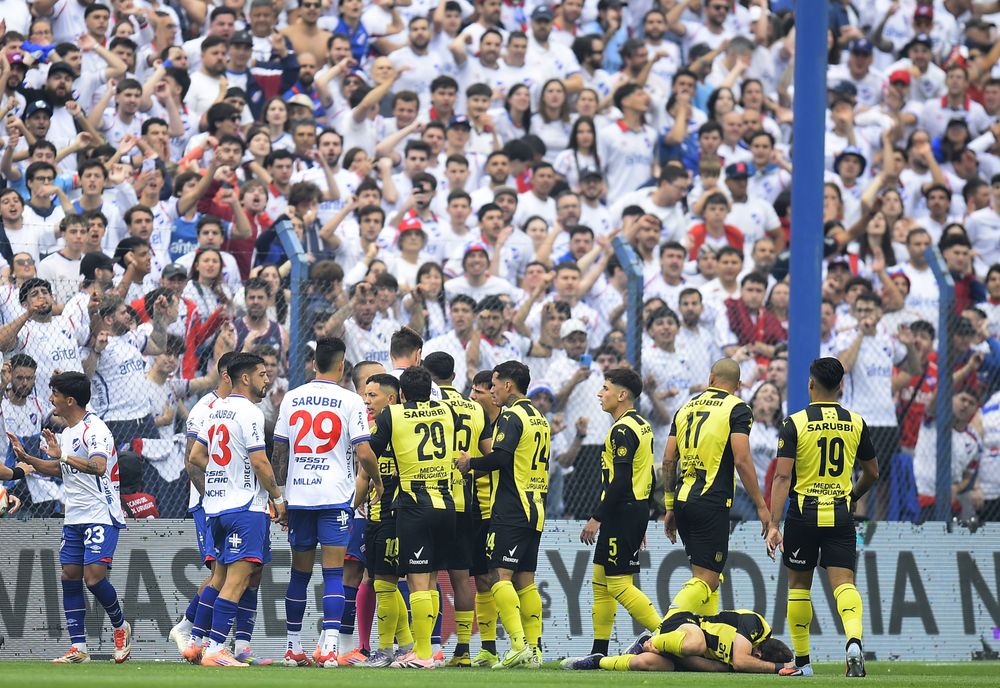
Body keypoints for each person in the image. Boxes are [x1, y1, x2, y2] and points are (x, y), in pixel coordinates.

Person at [766, 357, 880, 678]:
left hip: (804, 513)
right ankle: (854, 642)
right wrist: (853, 496)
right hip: (841, 513)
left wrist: (774, 524)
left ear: (810, 384)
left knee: (799, 586)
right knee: (844, 583)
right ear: (841, 386)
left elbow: (782, 478)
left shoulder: (795, 423)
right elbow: (872, 473)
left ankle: (802, 664)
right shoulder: (856, 422)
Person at [8, 371, 132, 663]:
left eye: (55, 394)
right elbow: (60, 469)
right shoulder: (66, 433)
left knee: (94, 577)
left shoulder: (95, 429)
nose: (51, 399)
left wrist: (62, 455)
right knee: (70, 576)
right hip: (74, 514)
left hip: (101, 512)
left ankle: (120, 625)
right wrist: (28, 459)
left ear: (70, 400)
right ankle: (79, 648)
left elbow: (98, 466)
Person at [273, 337, 380, 668]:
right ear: (342, 364)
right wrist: (377, 480)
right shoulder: (350, 401)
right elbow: (363, 451)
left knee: (299, 574)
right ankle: (331, 647)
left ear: (313, 363)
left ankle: (293, 648)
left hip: (300, 497)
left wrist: (280, 495)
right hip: (334, 498)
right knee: (334, 573)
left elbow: (279, 450)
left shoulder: (292, 398)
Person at [186, 353, 287, 667]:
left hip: (215, 507)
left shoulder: (216, 409)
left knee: (217, 579)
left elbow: (196, 456)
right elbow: (259, 461)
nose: (266, 379)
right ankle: (217, 649)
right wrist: (278, 499)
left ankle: (195, 643)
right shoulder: (249, 411)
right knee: (238, 581)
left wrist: (224, 469)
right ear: (245, 378)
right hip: (245, 508)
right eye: (261, 373)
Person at [456, 360, 549, 669]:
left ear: (509, 385)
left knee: (498, 575)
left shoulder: (511, 416)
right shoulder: (539, 418)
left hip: (511, 507)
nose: (492, 389)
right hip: (535, 506)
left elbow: (501, 459)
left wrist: (471, 463)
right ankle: (534, 651)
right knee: (526, 581)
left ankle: (518, 645)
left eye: (495, 384)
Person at [661, 358, 769, 619]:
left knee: (706, 575)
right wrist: (761, 505)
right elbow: (742, 459)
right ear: (739, 385)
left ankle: (705, 634)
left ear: (710, 379)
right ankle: (663, 628)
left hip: (683, 499)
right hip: (712, 501)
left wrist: (669, 504)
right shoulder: (738, 408)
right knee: (707, 579)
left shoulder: (685, 408)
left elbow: (667, 459)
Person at [367, 366, 455, 669]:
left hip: (414, 506)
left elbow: (370, 452)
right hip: (447, 504)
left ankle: (422, 654)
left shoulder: (393, 415)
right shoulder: (446, 412)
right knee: (431, 581)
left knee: (417, 583)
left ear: (401, 394)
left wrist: (376, 483)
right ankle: (426, 650)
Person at [574, 368, 660, 661]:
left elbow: (622, 479)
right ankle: (598, 653)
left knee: (619, 585)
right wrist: (642, 515)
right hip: (631, 510)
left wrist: (597, 517)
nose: (600, 393)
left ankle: (667, 635)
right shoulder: (642, 425)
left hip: (621, 511)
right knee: (600, 583)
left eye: (606, 388)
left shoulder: (622, 429)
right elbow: (646, 472)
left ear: (622, 395)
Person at [425, 351, 492, 667]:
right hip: (467, 502)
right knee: (461, 578)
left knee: (424, 574)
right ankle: (463, 650)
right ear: (454, 375)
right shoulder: (476, 409)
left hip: (433, 496)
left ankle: (427, 647)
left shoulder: (429, 406)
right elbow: (488, 457)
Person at [357, 371, 413, 667]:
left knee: (385, 583)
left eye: (373, 395)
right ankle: (404, 645)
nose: (367, 401)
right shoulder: (372, 425)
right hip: (376, 515)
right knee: (384, 582)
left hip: (393, 513)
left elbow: (366, 470)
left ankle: (385, 650)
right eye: (365, 395)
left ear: (391, 398)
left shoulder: (399, 425)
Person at [566, 609, 793, 673]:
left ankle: (599, 661)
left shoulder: (729, 665)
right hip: (685, 625)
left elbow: (710, 665)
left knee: (644, 663)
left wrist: (681, 662)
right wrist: (779, 668)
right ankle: (651, 640)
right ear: (759, 654)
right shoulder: (756, 625)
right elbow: (742, 661)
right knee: (697, 644)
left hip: (684, 651)